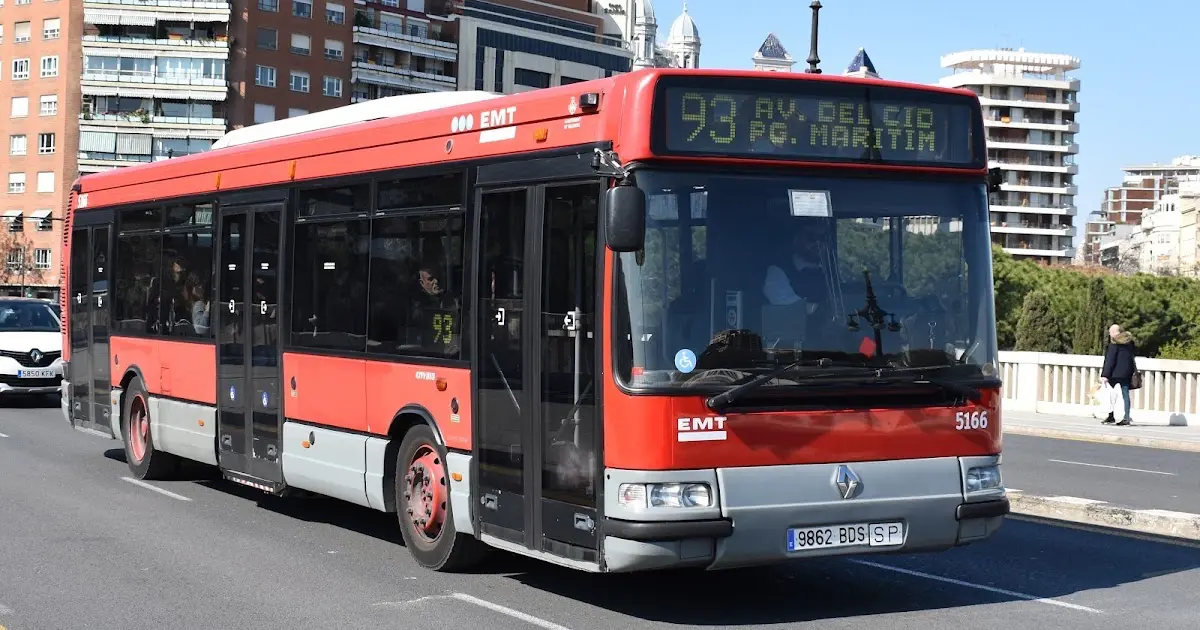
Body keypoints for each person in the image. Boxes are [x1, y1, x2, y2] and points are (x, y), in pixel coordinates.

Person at [1100, 323, 1137, 426]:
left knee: (1110, 394)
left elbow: (1110, 361)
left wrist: (1105, 374)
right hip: (1127, 373)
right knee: (1125, 395)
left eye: (1112, 331)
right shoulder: (1130, 343)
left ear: (1117, 333)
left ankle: (1111, 415)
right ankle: (1126, 418)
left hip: (1114, 373)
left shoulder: (1114, 343)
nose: (1110, 333)